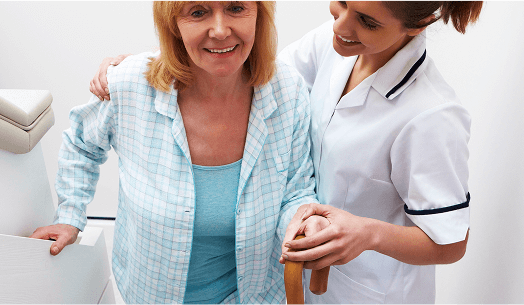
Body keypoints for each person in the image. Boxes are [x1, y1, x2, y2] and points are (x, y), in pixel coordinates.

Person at [89, 1, 482, 304]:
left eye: (368, 21)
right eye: (342, 1)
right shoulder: (337, 45)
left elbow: (451, 244)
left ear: (418, 25)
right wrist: (147, 70)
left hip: (370, 289)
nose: (342, 25)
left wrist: (368, 234)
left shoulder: (432, 115)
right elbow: (246, 70)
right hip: (296, 275)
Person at [31, 1, 322, 304]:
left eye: (236, 7)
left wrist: (306, 223)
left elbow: (296, 190)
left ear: (259, 14)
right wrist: (69, 215)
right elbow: (82, 143)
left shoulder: (288, 91)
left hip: (255, 296)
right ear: (173, 24)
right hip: (149, 293)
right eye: (198, 12)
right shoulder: (130, 83)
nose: (220, 30)